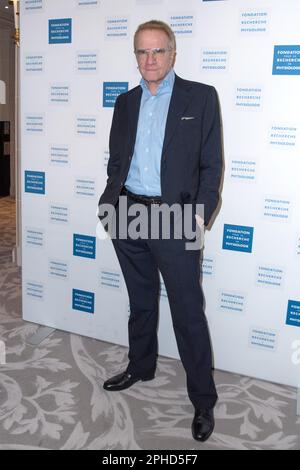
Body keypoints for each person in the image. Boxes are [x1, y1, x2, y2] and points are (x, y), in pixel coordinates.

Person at [98, 20, 223, 442]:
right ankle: (141, 365)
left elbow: (211, 165)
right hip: (128, 213)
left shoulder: (201, 97)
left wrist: (198, 216)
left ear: (172, 53)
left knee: (188, 312)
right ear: (135, 55)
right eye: (141, 52)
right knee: (141, 300)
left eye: (157, 51)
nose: (149, 60)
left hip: (176, 217)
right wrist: (110, 203)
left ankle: (203, 400)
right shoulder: (125, 102)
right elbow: (118, 158)